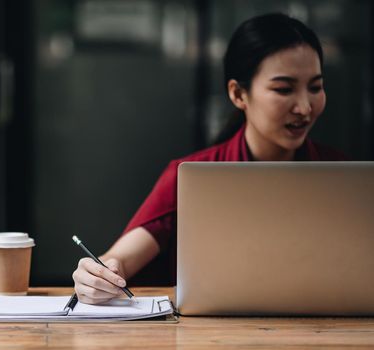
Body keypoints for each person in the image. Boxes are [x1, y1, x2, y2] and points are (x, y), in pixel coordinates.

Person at [72, 13, 346, 305]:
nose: (304, 107)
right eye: (283, 89)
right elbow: (119, 260)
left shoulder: (343, 177)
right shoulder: (190, 176)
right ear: (239, 94)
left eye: (315, 87)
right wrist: (97, 275)